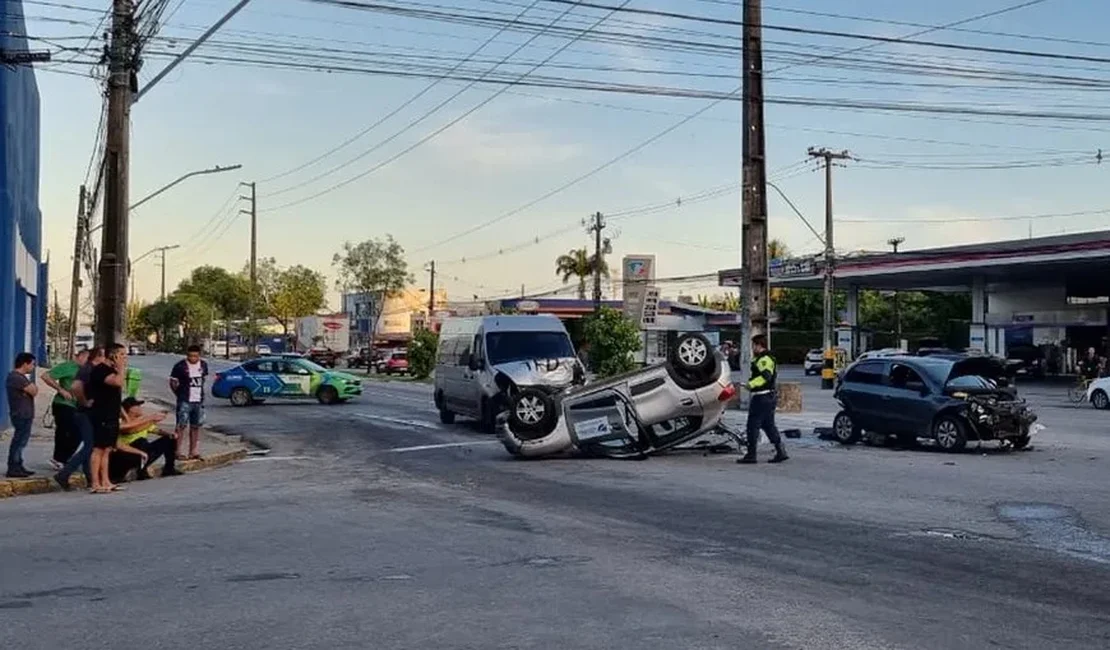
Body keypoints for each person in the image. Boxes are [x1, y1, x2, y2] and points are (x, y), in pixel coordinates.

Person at [53, 347, 103, 491]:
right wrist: (84, 402)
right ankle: (64, 473)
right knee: (89, 446)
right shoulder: (87, 370)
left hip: (87, 412)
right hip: (84, 412)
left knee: (90, 445)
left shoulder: (90, 370)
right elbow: (76, 387)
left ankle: (90, 478)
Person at [738, 334, 789, 465]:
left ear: (759, 345)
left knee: (752, 426)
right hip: (769, 396)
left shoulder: (764, 359)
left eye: (753, 345)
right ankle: (780, 451)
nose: (752, 348)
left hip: (762, 397)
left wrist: (751, 384)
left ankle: (751, 454)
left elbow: (765, 376)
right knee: (768, 425)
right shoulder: (767, 358)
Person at [109, 397, 182, 483]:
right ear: (130, 409)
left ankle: (169, 468)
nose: (141, 408)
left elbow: (156, 430)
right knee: (141, 441)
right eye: (138, 406)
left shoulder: (143, 421)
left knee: (169, 440)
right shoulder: (122, 421)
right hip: (125, 454)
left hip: (142, 452)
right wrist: (150, 419)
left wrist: (169, 434)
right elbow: (129, 429)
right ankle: (140, 471)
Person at [87, 344, 128, 493]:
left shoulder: (112, 370)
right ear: (113, 355)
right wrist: (121, 368)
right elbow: (117, 382)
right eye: (122, 355)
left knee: (107, 449)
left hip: (111, 414)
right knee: (98, 448)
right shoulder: (101, 371)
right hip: (101, 415)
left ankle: (106, 480)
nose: (125, 358)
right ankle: (95, 482)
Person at [41, 348, 89, 469]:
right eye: (87, 358)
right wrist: (60, 389)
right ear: (80, 356)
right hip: (64, 404)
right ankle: (58, 458)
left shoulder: (86, 370)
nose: (88, 361)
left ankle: (63, 457)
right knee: (65, 431)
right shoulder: (68, 366)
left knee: (78, 432)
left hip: (78, 405)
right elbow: (46, 376)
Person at [169, 345, 208, 460]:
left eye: (195, 356)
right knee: (181, 426)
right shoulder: (180, 366)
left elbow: (203, 379)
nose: (193, 358)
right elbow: (173, 382)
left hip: (198, 400)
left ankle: (193, 451)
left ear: (199, 355)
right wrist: (179, 394)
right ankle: (177, 451)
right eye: (190, 356)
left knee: (195, 426)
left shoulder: (203, 365)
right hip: (185, 400)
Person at [5, 352, 38, 478]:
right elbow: (34, 391)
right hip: (20, 414)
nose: (33, 367)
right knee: (19, 441)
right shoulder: (16, 377)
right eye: (32, 364)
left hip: (25, 413)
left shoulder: (22, 378)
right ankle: (13, 466)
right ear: (25, 364)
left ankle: (19, 464)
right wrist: (32, 389)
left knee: (22, 441)